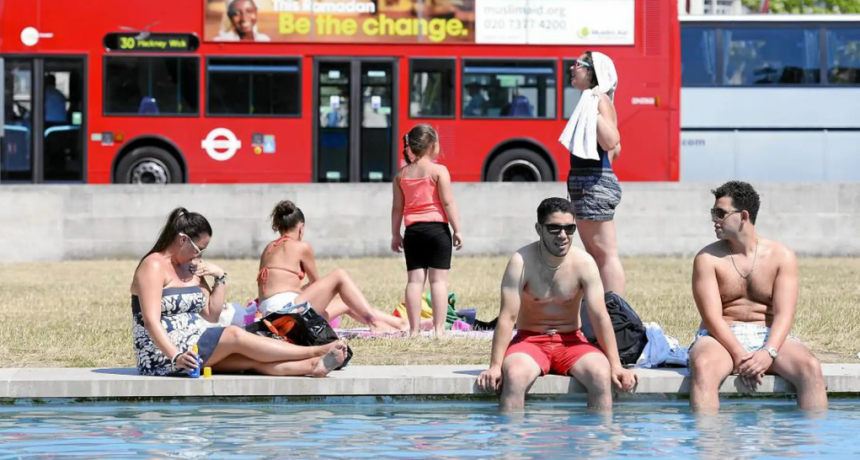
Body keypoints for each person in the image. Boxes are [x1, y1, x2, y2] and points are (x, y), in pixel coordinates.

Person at [131, 207, 347, 378]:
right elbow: (151, 321)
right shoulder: (153, 266)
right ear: (182, 240)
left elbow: (211, 314)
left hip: (195, 345)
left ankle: (313, 366)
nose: (199, 255)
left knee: (250, 361)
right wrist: (175, 356)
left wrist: (220, 278)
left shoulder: (191, 267)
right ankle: (315, 351)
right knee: (234, 334)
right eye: (199, 249)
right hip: (164, 354)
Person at [477, 197, 637, 412]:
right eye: (554, 228)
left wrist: (616, 365)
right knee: (514, 376)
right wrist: (495, 367)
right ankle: (510, 441)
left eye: (569, 228)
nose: (563, 235)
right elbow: (507, 317)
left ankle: (600, 441)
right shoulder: (521, 261)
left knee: (601, 374)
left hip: (572, 341)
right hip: (530, 341)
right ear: (539, 229)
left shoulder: (584, 263)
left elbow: (600, 316)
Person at [688, 181, 828, 413]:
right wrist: (740, 355)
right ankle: (710, 445)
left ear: (743, 216)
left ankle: (807, 444)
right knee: (703, 366)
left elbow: (785, 314)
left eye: (720, 213)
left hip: (768, 335)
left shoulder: (781, 256)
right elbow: (712, 317)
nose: (714, 219)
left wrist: (768, 352)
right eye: (713, 212)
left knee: (810, 368)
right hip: (720, 338)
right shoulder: (707, 258)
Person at [257, 200, 421, 333]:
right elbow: (315, 284)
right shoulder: (301, 247)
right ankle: (375, 322)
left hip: (272, 318)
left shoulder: (268, 249)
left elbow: (283, 288)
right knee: (339, 276)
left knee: (346, 301)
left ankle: (399, 323)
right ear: (301, 227)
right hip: (287, 317)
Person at [558, 51, 626, 296]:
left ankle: (615, 312)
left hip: (594, 181)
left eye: (577, 64)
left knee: (605, 254)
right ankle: (601, 310)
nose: (571, 69)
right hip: (586, 181)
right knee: (596, 253)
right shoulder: (591, 100)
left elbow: (611, 141)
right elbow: (615, 151)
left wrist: (595, 116)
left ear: (592, 71)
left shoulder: (598, 101)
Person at [391, 124, 463, 337]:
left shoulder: (401, 175)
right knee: (438, 281)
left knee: (414, 281)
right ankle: (439, 330)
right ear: (433, 145)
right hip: (437, 231)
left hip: (413, 232)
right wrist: (457, 229)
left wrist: (395, 233)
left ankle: (414, 330)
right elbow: (448, 203)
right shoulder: (439, 171)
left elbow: (397, 208)